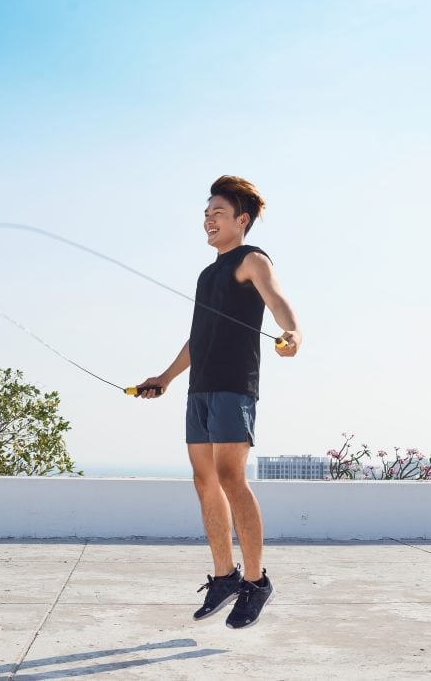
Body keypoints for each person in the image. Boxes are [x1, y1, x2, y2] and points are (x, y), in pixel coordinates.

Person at [136, 175, 301, 629]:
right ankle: (224, 576)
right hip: (200, 389)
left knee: (231, 476)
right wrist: (166, 378)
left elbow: (278, 301)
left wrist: (293, 333)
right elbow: (199, 337)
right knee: (204, 480)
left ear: (241, 220)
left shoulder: (252, 260)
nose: (209, 219)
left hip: (234, 385)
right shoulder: (207, 274)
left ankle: (255, 581)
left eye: (219, 213)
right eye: (206, 213)